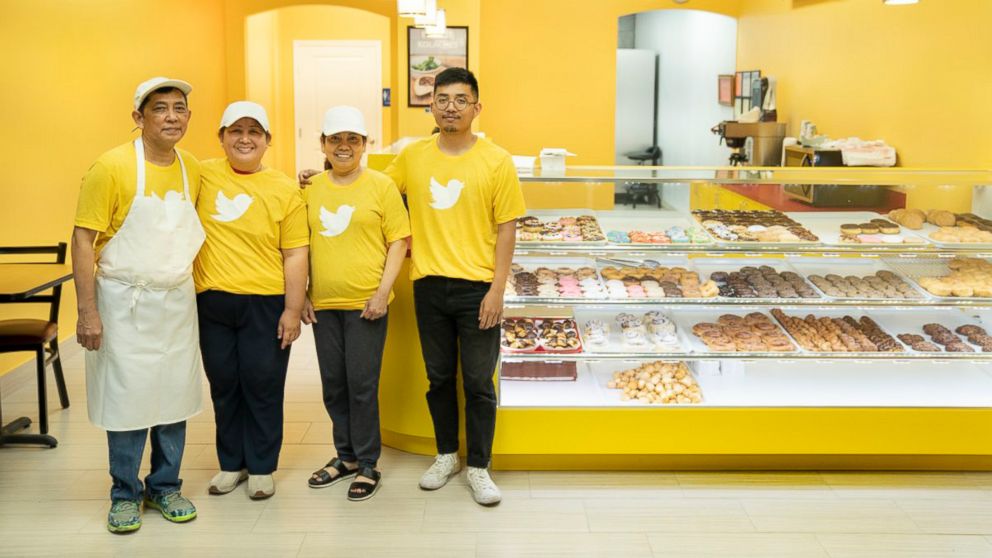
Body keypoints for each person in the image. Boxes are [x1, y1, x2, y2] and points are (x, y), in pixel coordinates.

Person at [385, 68, 525, 505]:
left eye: (460, 100)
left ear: (476, 108)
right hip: (429, 285)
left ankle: (479, 466)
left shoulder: (496, 161)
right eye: (442, 99)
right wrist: (328, 173)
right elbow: (375, 192)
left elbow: (507, 229)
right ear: (431, 106)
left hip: (478, 288)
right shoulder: (413, 156)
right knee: (439, 378)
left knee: (480, 382)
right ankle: (446, 454)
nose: (450, 106)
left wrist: (497, 290)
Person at [72, 76, 204, 533]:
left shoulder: (192, 169)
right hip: (123, 299)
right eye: (160, 108)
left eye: (180, 108)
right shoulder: (110, 168)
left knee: (174, 396)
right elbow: (84, 240)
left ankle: (165, 485)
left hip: (176, 300)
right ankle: (124, 493)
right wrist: (87, 311)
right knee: (127, 400)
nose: (172, 116)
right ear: (138, 118)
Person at [194, 101, 309, 500]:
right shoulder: (200, 175)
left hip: (265, 302)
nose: (245, 139)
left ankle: (261, 466)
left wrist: (292, 310)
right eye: (236, 131)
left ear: (267, 141)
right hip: (212, 301)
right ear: (221, 138)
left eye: (254, 132)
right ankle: (231, 464)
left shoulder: (283, 188)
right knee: (223, 384)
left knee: (263, 383)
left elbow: (295, 252)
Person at [302, 106, 410, 501]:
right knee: (334, 386)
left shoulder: (381, 186)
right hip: (323, 304)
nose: (344, 147)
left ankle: (367, 463)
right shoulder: (310, 189)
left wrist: (383, 292)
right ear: (323, 145)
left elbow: (399, 240)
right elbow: (297, 245)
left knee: (361, 385)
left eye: (353, 139)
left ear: (365, 145)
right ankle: (344, 457)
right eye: (335, 139)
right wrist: (301, 297)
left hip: (367, 304)